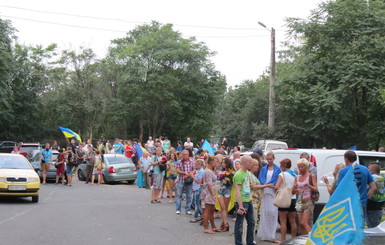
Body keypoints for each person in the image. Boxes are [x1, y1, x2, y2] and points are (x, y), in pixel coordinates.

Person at [337, 150, 376, 220]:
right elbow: (374, 187)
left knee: (349, 225)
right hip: (361, 202)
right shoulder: (365, 169)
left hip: (348, 203)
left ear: (346, 159)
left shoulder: (343, 171)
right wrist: (367, 198)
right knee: (360, 225)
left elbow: (339, 189)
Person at [257, 151, 281, 243]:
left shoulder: (277, 169)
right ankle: (264, 234)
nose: (269, 161)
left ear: (273, 159)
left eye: (271, 159)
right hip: (264, 191)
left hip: (272, 192)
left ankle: (271, 235)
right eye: (268, 159)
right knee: (264, 212)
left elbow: (277, 180)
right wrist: (265, 185)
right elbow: (261, 178)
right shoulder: (263, 169)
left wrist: (271, 185)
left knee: (272, 213)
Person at [292, 158, 318, 235]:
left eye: (302, 167)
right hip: (299, 202)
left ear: (306, 167)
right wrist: (294, 188)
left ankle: (314, 238)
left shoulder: (311, 176)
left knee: (304, 223)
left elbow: (316, 189)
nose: (300, 169)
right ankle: (303, 241)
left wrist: (309, 185)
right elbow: (292, 192)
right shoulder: (297, 177)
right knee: (301, 225)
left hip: (308, 201)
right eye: (299, 167)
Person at [274, 158, 297, 243]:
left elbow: (277, 186)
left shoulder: (282, 174)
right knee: (292, 221)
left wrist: (275, 188)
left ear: (284, 166)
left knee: (283, 221)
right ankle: (294, 239)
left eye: (281, 165)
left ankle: (283, 240)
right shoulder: (294, 174)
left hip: (284, 199)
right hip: (293, 198)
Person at [234, 155, 255, 245]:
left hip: (248, 200)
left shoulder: (246, 173)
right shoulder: (239, 174)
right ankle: (238, 243)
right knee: (239, 224)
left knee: (252, 222)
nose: (251, 164)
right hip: (242, 201)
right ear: (246, 163)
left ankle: (250, 242)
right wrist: (241, 206)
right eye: (250, 162)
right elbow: (237, 191)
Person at [201, 156, 219, 234]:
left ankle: (213, 226)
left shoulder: (212, 171)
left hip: (212, 192)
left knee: (211, 210)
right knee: (207, 210)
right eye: (215, 161)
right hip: (208, 192)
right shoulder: (208, 171)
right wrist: (212, 194)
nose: (216, 163)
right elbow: (209, 183)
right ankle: (206, 227)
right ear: (211, 162)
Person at [217, 157, 235, 232]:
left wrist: (229, 180)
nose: (223, 164)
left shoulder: (232, 172)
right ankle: (225, 223)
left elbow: (232, 184)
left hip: (227, 190)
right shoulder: (220, 171)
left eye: (224, 163)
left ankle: (224, 224)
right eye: (222, 163)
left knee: (225, 208)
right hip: (220, 190)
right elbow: (217, 181)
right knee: (222, 207)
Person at [175, 150, 196, 214]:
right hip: (181, 180)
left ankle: (188, 209)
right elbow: (177, 170)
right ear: (182, 155)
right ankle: (178, 209)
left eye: (186, 154)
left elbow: (194, 169)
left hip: (189, 181)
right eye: (184, 154)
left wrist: (190, 174)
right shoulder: (179, 162)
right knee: (179, 195)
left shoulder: (192, 161)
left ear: (188, 155)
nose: (185, 156)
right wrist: (184, 173)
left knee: (189, 196)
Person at [366, 163, 385, 228]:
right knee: (376, 224)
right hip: (379, 203)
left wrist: (368, 198)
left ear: (373, 170)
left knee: (372, 226)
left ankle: (376, 238)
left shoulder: (372, 177)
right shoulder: (382, 178)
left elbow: (372, 188)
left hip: (372, 204)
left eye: (368, 169)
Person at [190, 159, 205, 223]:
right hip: (196, 188)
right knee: (196, 203)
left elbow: (199, 181)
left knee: (197, 203)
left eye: (196, 165)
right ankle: (201, 214)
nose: (195, 166)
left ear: (200, 165)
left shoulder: (201, 171)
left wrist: (192, 176)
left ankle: (196, 216)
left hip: (198, 188)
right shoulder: (199, 171)